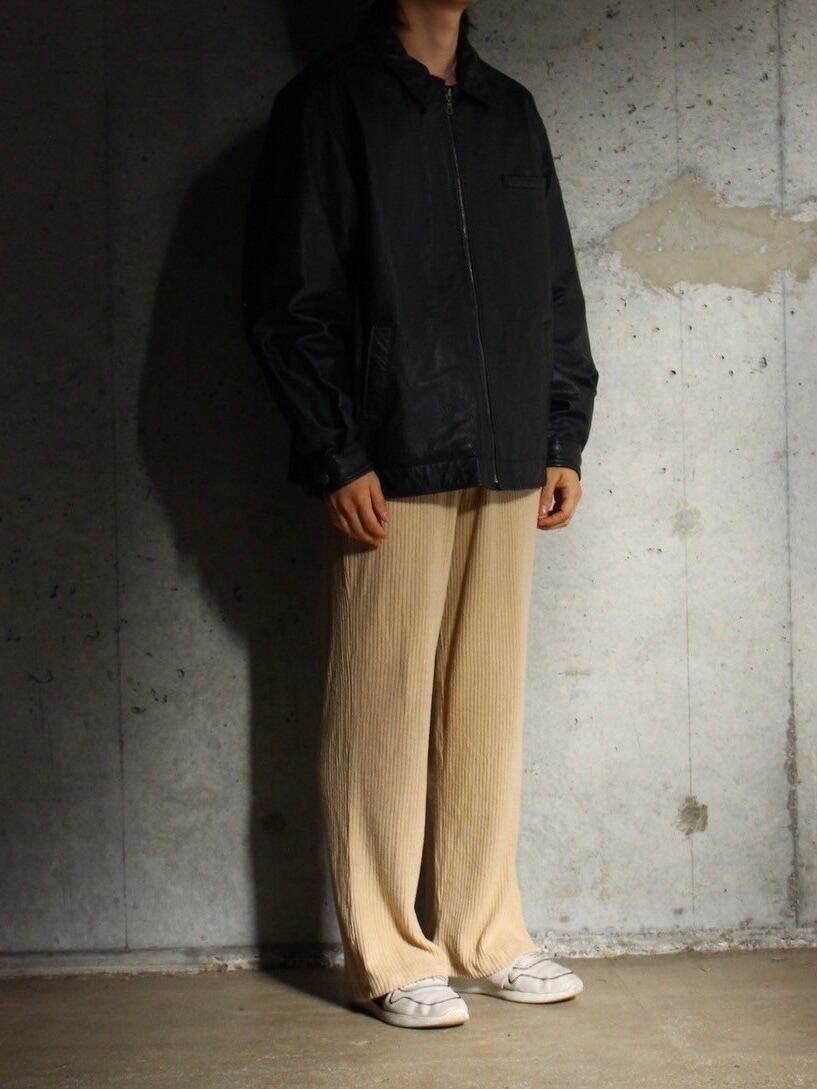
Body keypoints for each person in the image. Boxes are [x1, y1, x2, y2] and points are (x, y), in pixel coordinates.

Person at [241, 0, 599, 1029]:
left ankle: (486, 933)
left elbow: (554, 286)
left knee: (486, 704)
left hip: (509, 448)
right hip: (391, 447)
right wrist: (334, 449)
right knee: (380, 703)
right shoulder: (327, 104)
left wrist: (561, 431)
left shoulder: (508, 110)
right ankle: (389, 954)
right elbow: (289, 296)